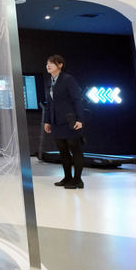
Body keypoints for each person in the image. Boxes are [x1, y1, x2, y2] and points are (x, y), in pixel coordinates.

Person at [43, 54, 85, 189]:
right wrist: (47, 121)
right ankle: (67, 178)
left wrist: (80, 119)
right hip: (56, 121)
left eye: (52, 63)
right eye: (47, 63)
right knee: (63, 151)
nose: (48, 65)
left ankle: (78, 180)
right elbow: (49, 104)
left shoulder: (68, 79)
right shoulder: (49, 82)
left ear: (60, 65)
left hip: (70, 120)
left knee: (75, 149)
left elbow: (77, 100)